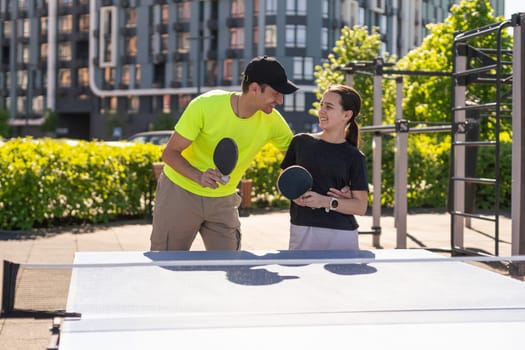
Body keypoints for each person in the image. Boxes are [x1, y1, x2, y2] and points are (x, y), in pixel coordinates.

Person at [150, 56, 299, 251]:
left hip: (223, 201)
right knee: (167, 265)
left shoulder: (273, 122)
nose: (280, 100)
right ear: (254, 88)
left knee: (230, 267)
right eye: (276, 93)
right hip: (180, 193)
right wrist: (199, 176)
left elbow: (296, 157)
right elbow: (170, 154)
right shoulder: (205, 105)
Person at [280, 84, 369, 250]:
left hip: (342, 234)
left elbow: (360, 207)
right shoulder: (300, 142)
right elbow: (285, 181)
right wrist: (294, 196)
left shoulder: (355, 157)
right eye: (321, 105)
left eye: (329, 107)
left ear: (347, 114)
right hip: (302, 228)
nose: (321, 111)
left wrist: (325, 201)